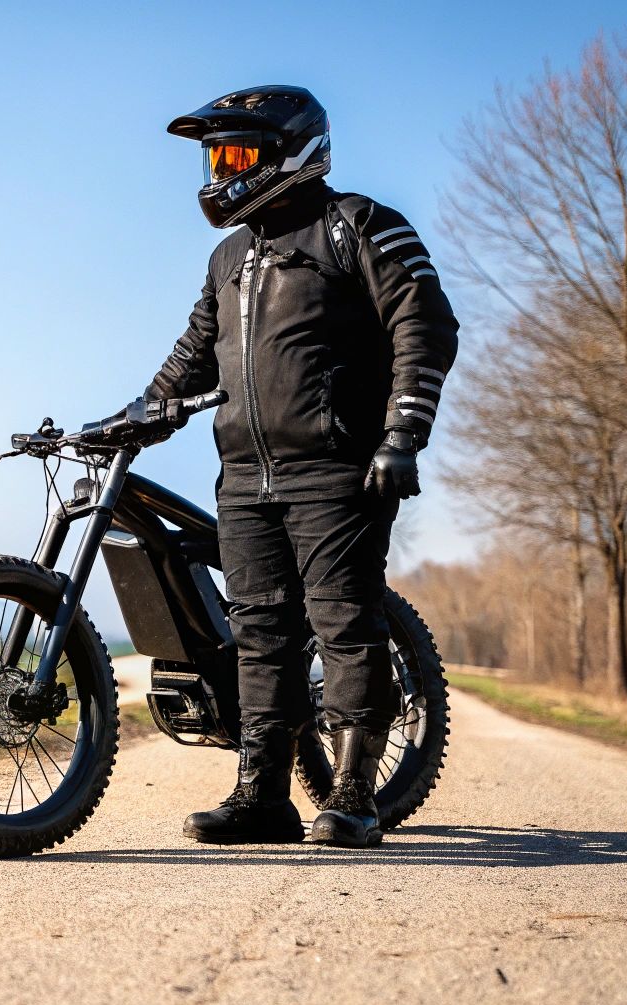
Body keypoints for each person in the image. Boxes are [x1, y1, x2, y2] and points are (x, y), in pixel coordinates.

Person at [140, 85, 458, 847]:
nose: (225, 169)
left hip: (337, 469)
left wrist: (401, 435)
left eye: (239, 153)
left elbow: (426, 323)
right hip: (246, 477)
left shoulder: (358, 226)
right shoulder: (228, 256)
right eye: (219, 156)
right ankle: (263, 798)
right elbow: (192, 355)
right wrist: (135, 416)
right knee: (261, 635)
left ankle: (353, 794)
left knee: (344, 622)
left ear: (293, 150)